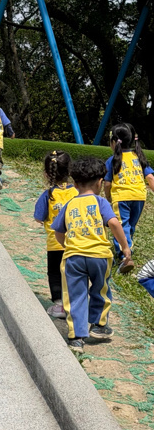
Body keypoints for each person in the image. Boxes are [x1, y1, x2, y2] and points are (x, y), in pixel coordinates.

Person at [51, 157, 132, 351]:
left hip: (73, 257)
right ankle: (99, 325)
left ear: (75, 184)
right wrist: (125, 247)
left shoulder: (69, 205)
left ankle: (76, 338)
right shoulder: (100, 202)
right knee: (100, 290)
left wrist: (67, 245)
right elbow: (113, 223)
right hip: (99, 256)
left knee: (75, 295)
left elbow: (58, 232)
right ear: (99, 182)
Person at [33, 150, 77, 319]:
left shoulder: (49, 195)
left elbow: (38, 217)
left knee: (55, 273)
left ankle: (59, 304)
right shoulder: (77, 192)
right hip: (75, 242)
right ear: (70, 171)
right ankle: (74, 303)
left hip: (54, 243)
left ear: (47, 173)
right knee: (73, 274)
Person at [103, 123, 154, 261]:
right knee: (130, 225)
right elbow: (150, 177)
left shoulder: (112, 160)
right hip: (139, 196)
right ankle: (128, 247)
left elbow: (107, 183)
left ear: (114, 142)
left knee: (121, 226)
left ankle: (124, 255)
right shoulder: (139, 157)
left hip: (121, 197)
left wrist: (108, 197)